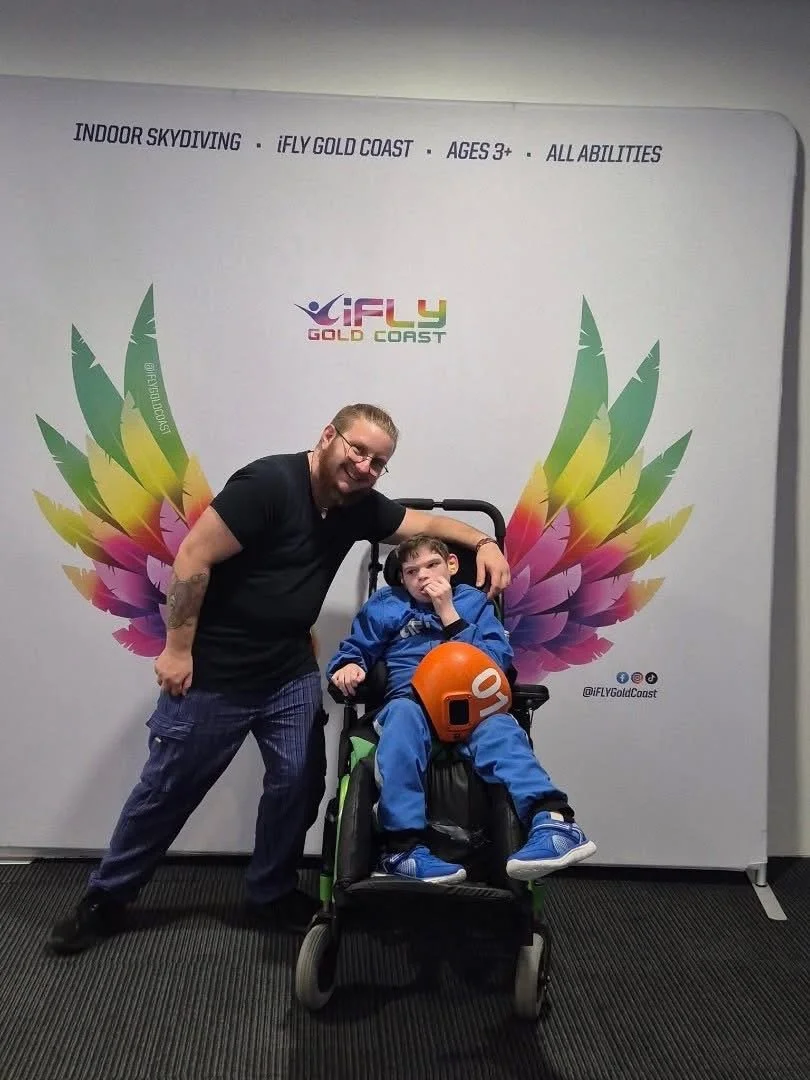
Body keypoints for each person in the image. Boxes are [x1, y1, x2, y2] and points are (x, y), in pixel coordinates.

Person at [47, 404, 511, 953]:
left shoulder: (357, 505)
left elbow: (428, 524)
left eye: (377, 462)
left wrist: (482, 543)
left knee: (298, 783)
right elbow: (194, 554)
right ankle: (108, 897)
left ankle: (269, 893)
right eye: (357, 450)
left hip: (287, 671)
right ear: (327, 437)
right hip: (216, 672)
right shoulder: (267, 483)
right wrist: (176, 647)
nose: (364, 466)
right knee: (167, 789)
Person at [327, 534, 596, 884]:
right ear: (402, 578)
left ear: (451, 565)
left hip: (472, 702)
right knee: (403, 717)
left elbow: (496, 662)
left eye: (432, 565)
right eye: (412, 571)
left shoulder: (474, 602)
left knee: (501, 728)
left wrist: (448, 612)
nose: (423, 576)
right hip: (412, 703)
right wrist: (349, 665)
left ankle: (554, 825)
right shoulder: (386, 605)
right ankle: (403, 849)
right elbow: (355, 649)